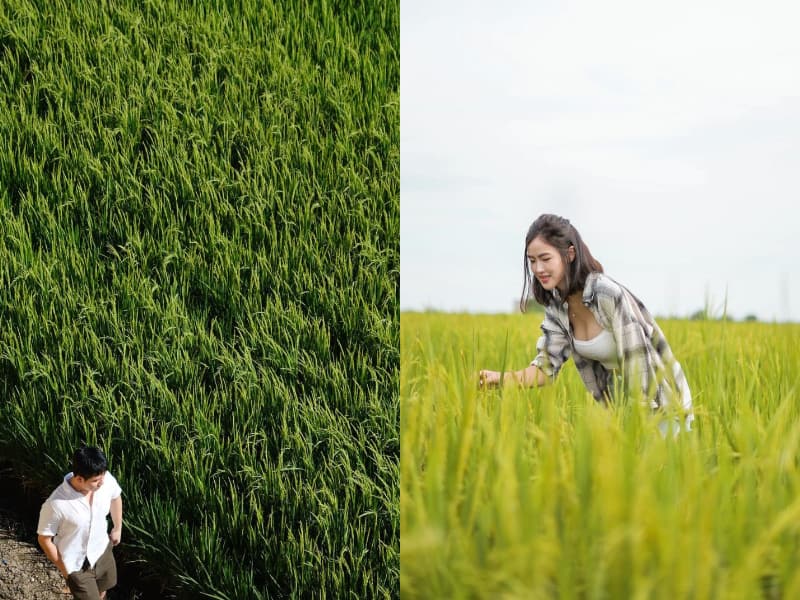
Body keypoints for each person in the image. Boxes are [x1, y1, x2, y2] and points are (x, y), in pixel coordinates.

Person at [479, 214, 693, 432]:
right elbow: (545, 369)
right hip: (625, 408)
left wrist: (636, 422)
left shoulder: (606, 294)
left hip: (662, 402)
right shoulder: (557, 307)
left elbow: (638, 363)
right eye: (532, 261)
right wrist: (501, 378)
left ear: (569, 254)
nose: (538, 269)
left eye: (545, 258)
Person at [37, 445, 123, 600]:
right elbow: (44, 539)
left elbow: (115, 497)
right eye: (96, 480)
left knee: (103, 589)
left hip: (102, 550)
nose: (102, 482)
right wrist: (65, 570)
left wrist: (117, 528)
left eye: (102, 477)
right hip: (76, 563)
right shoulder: (56, 503)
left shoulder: (105, 479)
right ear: (79, 479)